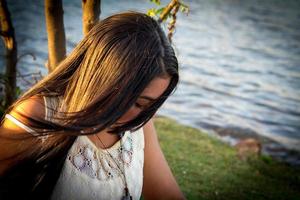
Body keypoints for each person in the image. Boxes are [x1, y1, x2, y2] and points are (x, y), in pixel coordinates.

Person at [0, 11, 184, 200]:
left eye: (150, 106)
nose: (141, 115)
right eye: (137, 102)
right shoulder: (36, 117)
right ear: (104, 76)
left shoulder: (139, 123)